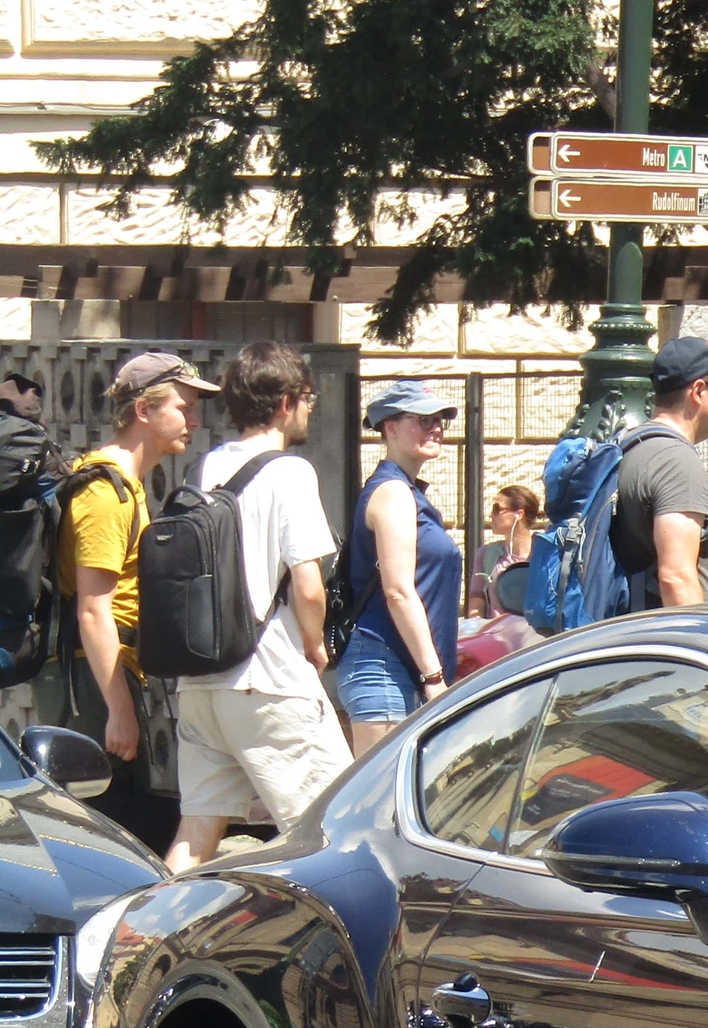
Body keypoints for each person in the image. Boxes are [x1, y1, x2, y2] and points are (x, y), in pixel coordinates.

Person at [163, 342, 351, 873]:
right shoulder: (289, 472)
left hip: (203, 682)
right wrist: (315, 646)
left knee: (196, 833)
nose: (312, 408)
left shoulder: (205, 467)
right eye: (308, 397)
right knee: (327, 828)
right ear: (287, 401)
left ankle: (140, 940)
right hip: (268, 678)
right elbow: (308, 586)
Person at [57, 351, 219, 852]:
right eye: (183, 407)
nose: (194, 420)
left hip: (112, 672)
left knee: (135, 829)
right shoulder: (105, 492)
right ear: (144, 412)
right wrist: (119, 710)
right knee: (105, 835)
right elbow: (92, 608)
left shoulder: (127, 485)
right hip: (92, 681)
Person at [340, 381, 461, 755]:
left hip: (400, 671)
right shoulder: (393, 492)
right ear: (390, 428)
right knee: (378, 807)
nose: (436, 427)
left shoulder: (407, 492)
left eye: (440, 419)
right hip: (384, 668)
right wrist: (434, 677)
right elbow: (398, 591)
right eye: (423, 419)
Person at [612, 335, 708, 611]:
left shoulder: (632, 445)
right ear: (698, 391)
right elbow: (676, 577)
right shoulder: (676, 463)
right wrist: (702, 642)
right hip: (663, 643)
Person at [468, 482, 541, 615]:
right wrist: (476, 622)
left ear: (519, 514)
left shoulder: (543, 553)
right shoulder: (487, 554)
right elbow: (476, 597)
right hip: (498, 633)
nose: (491, 515)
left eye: (497, 509)